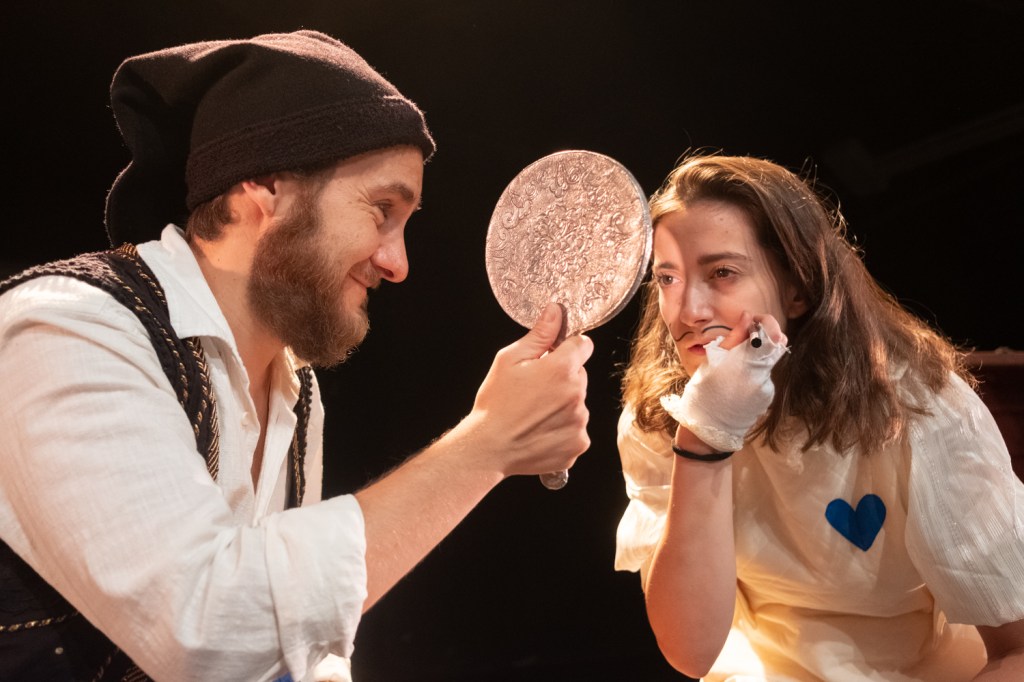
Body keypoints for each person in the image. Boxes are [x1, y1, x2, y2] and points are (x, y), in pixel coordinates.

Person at [0, 30, 593, 682]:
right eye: (382, 209)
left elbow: (288, 652)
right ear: (266, 185)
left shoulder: (292, 386)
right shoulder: (66, 330)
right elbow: (206, 634)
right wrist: (486, 445)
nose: (397, 262)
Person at [613, 153, 1024, 680]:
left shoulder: (921, 405)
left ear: (798, 288)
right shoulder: (661, 414)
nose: (689, 311)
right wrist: (704, 435)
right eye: (668, 278)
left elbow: (1016, 649)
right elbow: (691, 653)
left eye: (722, 273)